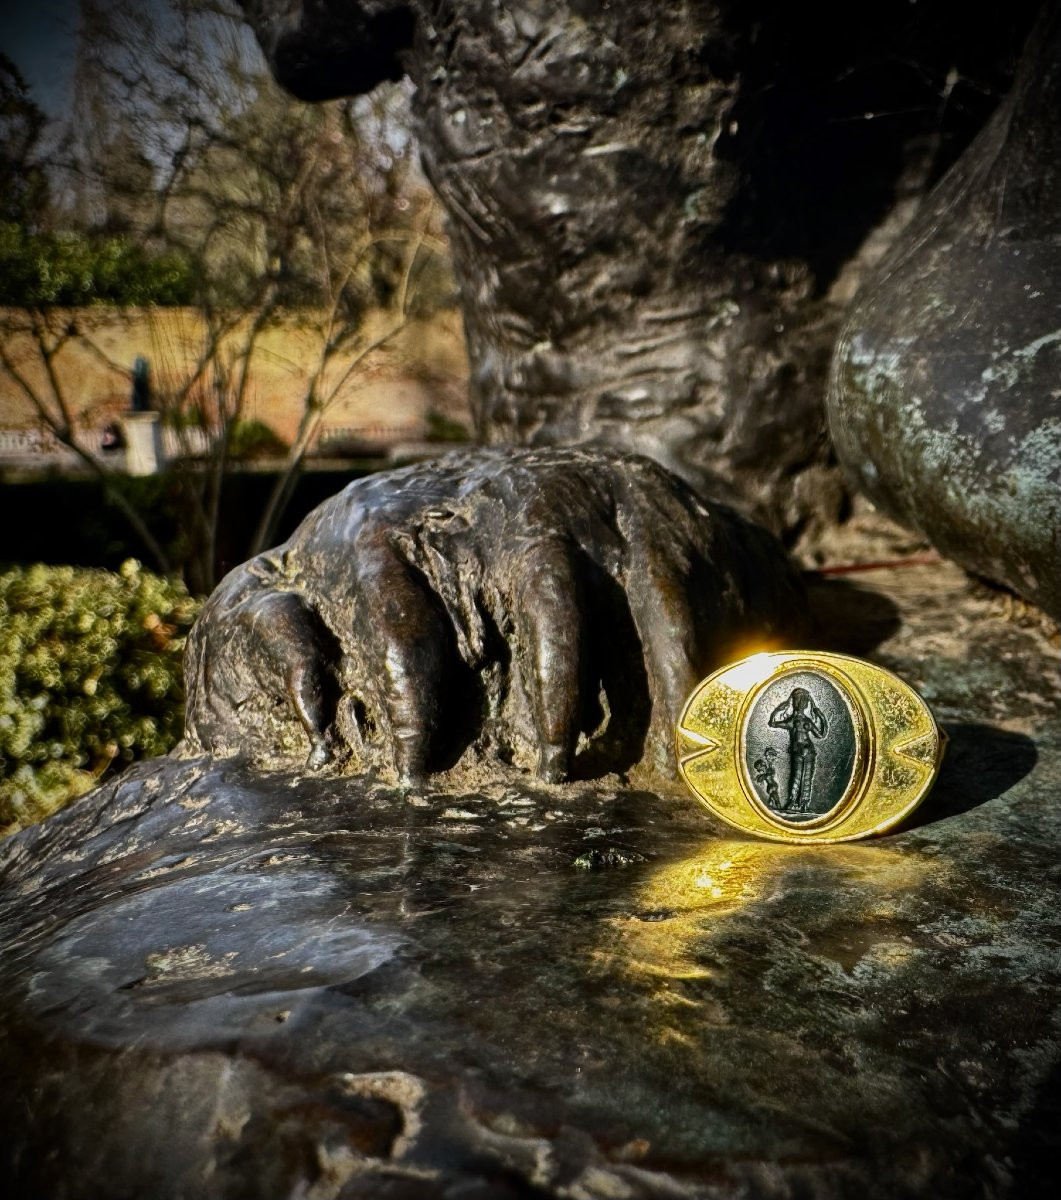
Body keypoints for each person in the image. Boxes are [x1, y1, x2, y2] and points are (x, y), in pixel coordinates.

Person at [768, 687, 828, 812]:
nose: (800, 702)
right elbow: (772, 723)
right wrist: (780, 709)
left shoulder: (805, 721)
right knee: (798, 776)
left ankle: (803, 804)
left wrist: (822, 717)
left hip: (808, 751)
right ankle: (793, 802)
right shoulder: (793, 721)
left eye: (802, 700)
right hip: (800, 751)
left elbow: (821, 735)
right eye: (798, 699)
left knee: (805, 777)